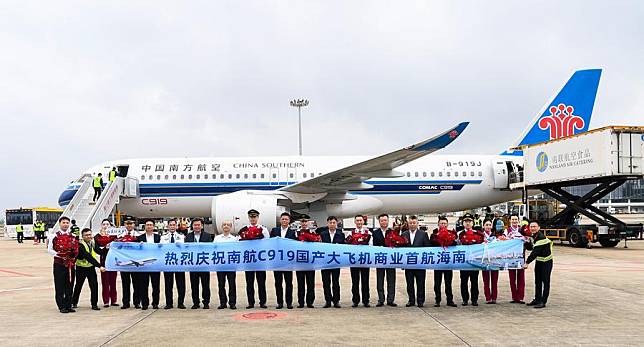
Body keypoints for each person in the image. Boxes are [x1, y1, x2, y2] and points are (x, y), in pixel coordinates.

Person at [238, 209, 270, 309]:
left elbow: (267, 243)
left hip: (260, 260)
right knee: (249, 283)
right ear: (248, 218)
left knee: (261, 282)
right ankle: (251, 302)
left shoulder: (263, 229)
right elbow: (239, 243)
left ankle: (263, 302)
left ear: (258, 217)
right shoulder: (243, 230)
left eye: (254, 217)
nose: (253, 219)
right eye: (251, 217)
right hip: (249, 259)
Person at [48, 216, 77, 313]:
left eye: (67, 223)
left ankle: (69, 305)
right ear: (60, 224)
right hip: (59, 264)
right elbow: (50, 250)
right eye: (63, 222)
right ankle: (61, 306)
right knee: (59, 285)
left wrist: (72, 256)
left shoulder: (72, 236)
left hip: (70, 264)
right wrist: (60, 255)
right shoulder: (54, 236)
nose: (65, 224)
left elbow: (76, 249)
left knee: (70, 285)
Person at [72, 228, 106, 310]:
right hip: (81, 268)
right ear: (82, 236)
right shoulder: (80, 245)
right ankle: (74, 302)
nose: (88, 236)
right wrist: (99, 266)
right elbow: (88, 257)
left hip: (90, 268)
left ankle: (94, 304)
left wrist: (107, 248)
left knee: (94, 286)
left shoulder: (93, 242)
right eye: (86, 235)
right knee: (78, 286)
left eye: (90, 234)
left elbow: (99, 251)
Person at [429, 216, 458, 307]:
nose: (443, 225)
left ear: (447, 224)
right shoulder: (434, 234)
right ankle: (437, 300)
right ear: (438, 224)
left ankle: (450, 300)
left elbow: (454, 243)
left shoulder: (451, 234)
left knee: (448, 283)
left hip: (448, 262)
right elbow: (432, 244)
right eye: (441, 223)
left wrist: (448, 239)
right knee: (437, 283)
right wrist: (440, 238)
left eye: (445, 223)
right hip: (438, 263)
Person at [402, 215, 430, 307]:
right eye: (410, 223)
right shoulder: (404, 234)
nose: (412, 225)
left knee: (421, 283)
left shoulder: (423, 234)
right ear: (408, 224)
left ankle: (420, 301)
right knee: (409, 283)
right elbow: (402, 250)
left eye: (414, 223)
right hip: (409, 264)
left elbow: (427, 248)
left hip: (420, 265)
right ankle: (411, 300)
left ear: (417, 224)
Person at [270, 212, 296, 309]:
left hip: (288, 262)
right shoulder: (274, 230)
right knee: (278, 283)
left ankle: (289, 303)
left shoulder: (292, 232)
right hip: (277, 262)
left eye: (286, 219)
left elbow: (294, 246)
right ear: (280, 220)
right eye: (283, 219)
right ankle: (280, 302)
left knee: (289, 283)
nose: (284, 221)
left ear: (289, 221)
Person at [525, 221, 553, 309]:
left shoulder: (541, 238)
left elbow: (534, 252)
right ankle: (537, 299)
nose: (532, 228)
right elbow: (531, 247)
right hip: (540, 261)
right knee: (538, 281)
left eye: (534, 226)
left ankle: (543, 301)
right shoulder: (534, 236)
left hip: (546, 262)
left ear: (539, 227)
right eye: (531, 226)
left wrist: (527, 262)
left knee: (545, 282)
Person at [185, 218, 212, 309]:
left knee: (205, 285)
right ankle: (196, 302)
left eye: (198, 225)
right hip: (193, 265)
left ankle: (206, 302)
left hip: (204, 264)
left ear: (202, 226)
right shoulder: (188, 236)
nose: (197, 226)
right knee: (194, 285)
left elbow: (210, 250)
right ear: (192, 226)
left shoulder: (207, 236)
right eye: (195, 225)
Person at [458, 213, 484, 306]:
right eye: (466, 221)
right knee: (463, 282)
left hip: (474, 262)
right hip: (464, 262)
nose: (468, 223)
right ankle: (465, 299)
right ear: (463, 223)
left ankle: (474, 299)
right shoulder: (459, 234)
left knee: (474, 281)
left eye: (469, 221)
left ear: (473, 223)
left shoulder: (478, 234)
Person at [160, 218, 186, 309]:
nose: (172, 226)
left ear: (176, 226)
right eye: (170, 225)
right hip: (168, 263)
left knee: (181, 284)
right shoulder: (163, 238)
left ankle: (181, 303)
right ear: (167, 226)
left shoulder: (181, 237)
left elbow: (185, 249)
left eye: (173, 225)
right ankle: (169, 303)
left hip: (179, 264)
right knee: (168, 284)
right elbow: (161, 250)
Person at [372, 213, 397, 307]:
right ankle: (381, 299)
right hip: (380, 260)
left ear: (388, 221)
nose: (384, 222)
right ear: (379, 222)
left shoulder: (392, 232)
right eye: (382, 220)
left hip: (391, 260)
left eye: (385, 220)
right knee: (380, 280)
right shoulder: (375, 233)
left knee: (391, 280)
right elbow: (373, 246)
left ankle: (390, 300)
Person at [348, 215, 372, 308]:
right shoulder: (350, 233)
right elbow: (347, 245)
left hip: (364, 260)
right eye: (357, 220)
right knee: (355, 281)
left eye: (360, 220)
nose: (359, 222)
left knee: (365, 281)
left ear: (363, 221)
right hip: (354, 261)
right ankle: (355, 300)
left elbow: (371, 246)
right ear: (355, 222)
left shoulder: (368, 233)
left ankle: (366, 301)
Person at [137, 219, 161, 310]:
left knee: (155, 285)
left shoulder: (158, 237)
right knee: (143, 285)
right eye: (147, 225)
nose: (149, 226)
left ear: (154, 227)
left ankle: (155, 303)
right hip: (144, 265)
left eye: (151, 225)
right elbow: (136, 251)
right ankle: (144, 304)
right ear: (145, 227)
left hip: (155, 264)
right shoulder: (140, 238)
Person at [213, 220, 238, 310]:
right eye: (224, 225)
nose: (226, 226)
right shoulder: (217, 238)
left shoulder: (234, 239)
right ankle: (222, 303)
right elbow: (213, 250)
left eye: (228, 225)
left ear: (230, 227)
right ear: (222, 227)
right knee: (221, 284)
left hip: (231, 265)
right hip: (220, 264)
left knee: (232, 284)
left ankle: (232, 303)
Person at [320, 216, 344, 308]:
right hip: (325, 262)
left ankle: (336, 301)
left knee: (335, 282)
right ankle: (328, 301)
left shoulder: (340, 234)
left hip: (336, 261)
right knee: (326, 282)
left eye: (334, 222)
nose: (332, 224)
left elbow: (343, 247)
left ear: (336, 223)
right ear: (327, 223)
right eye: (330, 222)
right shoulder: (323, 234)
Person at [295, 215, 319, 308]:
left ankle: (310, 302)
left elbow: (317, 243)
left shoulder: (313, 232)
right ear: (300, 223)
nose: (304, 223)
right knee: (300, 283)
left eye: (305, 221)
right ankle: (301, 302)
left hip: (310, 261)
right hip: (300, 262)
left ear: (308, 222)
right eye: (302, 221)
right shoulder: (296, 233)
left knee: (310, 283)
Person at [505, 214, 529, 304]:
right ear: (510, 221)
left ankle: (520, 297)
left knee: (521, 277)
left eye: (516, 219)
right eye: (513, 219)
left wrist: (525, 239)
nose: (514, 221)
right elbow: (503, 241)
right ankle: (514, 297)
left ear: (518, 220)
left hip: (521, 256)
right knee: (512, 278)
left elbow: (528, 240)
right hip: (510, 257)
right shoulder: (507, 230)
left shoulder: (522, 230)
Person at [95, 219, 118, 307]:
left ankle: (114, 300)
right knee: (105, 281)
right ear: (101, 225)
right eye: (104, 224)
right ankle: (106, 301)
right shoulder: (97, 236)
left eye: (107, 224)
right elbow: (97, 249)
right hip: (103, 260)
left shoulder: (113, 235)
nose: (106, 226)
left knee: (113, 281)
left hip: (113, 260)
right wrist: (105, 248)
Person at [119, 217, 141, 309]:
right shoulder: (120, 236)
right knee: (125, 284)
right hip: (125, 263)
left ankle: (137, 302)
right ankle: (125, 302)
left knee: (137, 284)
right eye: (127, 223)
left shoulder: (139, 236)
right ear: (124, 225)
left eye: (131, 223)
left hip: (135, 263)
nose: (129, 225)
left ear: (134, 224)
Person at [481, 219, 499, 304]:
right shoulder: (480, 236)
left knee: (494, 280)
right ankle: (488, 297)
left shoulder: (495, 235)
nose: (488, 226)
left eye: (489, 225)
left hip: (494, 261)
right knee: (486, 280)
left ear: (492, 226)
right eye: (486, 225)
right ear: (483, 226)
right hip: (484, 261)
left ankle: (494, 297)